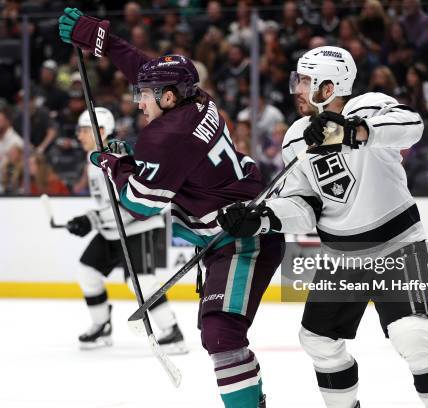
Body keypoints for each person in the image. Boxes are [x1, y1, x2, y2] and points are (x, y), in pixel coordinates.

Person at [59, 8, 284, 407]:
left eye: (144, 95)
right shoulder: (199, 101)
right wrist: (105, 43)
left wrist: (114, 163)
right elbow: (147, 70)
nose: (138, 100)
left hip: (241, 239)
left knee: (220, 334)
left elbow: (140, 204)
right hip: (233, 228)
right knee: (219, 335)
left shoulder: (164, 137)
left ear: (167, 97)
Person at [218, 46, 428, 407]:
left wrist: (355, 131)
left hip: (397, 245)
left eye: (303, 81)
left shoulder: (368, 107)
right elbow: (305, 207)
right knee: (318, 340)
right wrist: (262, 218)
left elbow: (413, 127)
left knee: (413, 336)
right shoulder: (297, 137)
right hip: (342, 255)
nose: (295, 89)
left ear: (328, 87)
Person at [67, 106, 186, 352]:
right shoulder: (94, 161)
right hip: (113, 230)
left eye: (85, 130)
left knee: (140, 282)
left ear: (101, 131)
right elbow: (107, 206)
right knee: (87, 272)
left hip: (138, 226)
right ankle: (102, 326)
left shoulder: (117, 158)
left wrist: (92, 220)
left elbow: (131, 203)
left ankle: (172, 332)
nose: (79, 136)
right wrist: (91, 218)